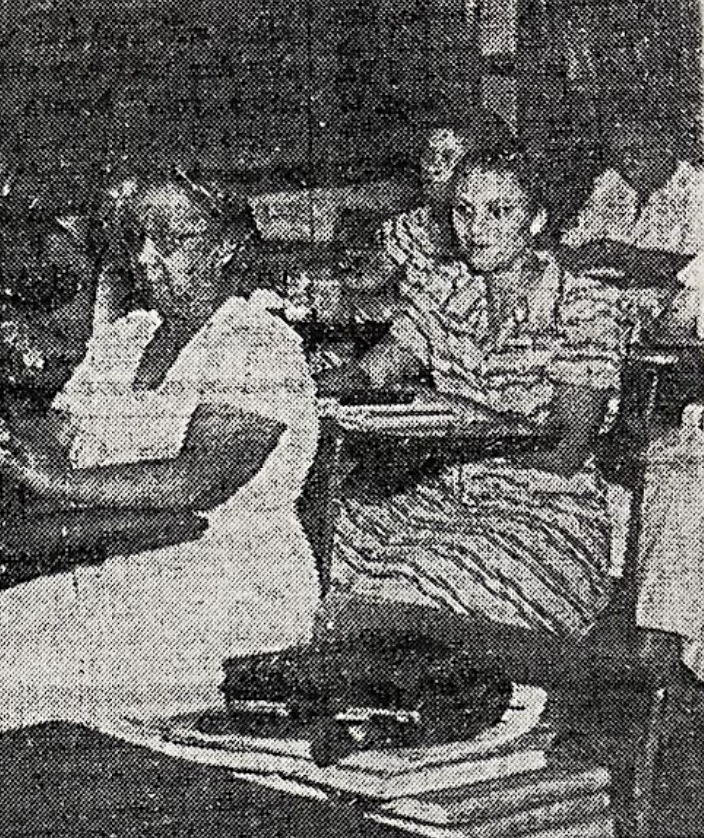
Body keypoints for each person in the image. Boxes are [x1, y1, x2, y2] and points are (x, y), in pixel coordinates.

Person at [0, 176, 320, 729]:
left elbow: (199, 481)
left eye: (169, 239)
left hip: (225, 585)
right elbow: (59, 431)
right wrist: (14, 439)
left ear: (222, 245)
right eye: (139, 238)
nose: (147, 258)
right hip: (120, 567)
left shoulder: (255, 342)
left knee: (21, 681)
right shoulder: (126, 336)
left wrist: (56, 483)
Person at [320, 149, 630, 638]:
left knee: (405, 588)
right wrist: (287, 388)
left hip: (541, 513)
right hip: (439, 496)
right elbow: (367, 375)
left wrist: (453, 427)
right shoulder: (446, 288)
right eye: (464, 210)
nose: (475, 228)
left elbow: (564, 450)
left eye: (499, 211)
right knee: (315, 545)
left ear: (535, 220)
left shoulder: (584, 305)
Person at [340, 111, 517, 294]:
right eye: (429, 155)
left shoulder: (503, 231)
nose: (432, 167)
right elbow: (368, 282)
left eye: (447, 158)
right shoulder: (406, 227)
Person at [562, 116, 704, 257]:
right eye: (619, 153)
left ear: (666, 146)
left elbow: (695, 270)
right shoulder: (613, 184)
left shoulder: (696, 192)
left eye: (636, 151)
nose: (627, 161)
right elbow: (576, 241)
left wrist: (626, 256)